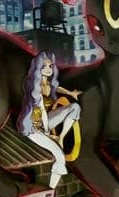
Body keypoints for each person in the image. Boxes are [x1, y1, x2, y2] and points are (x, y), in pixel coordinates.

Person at [16, 52, 81, 188]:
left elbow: (56, 88)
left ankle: (61, 137)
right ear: (37, 68)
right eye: (44, 66)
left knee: (74, 107)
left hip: (44, 121)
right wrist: (47, 134)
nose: (48, 69)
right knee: (60, 156)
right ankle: (51, 189)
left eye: (50, 66)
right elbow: (40, 114)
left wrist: (70, 93)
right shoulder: (35, 89)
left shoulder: (48, 84)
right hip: (32, 127)